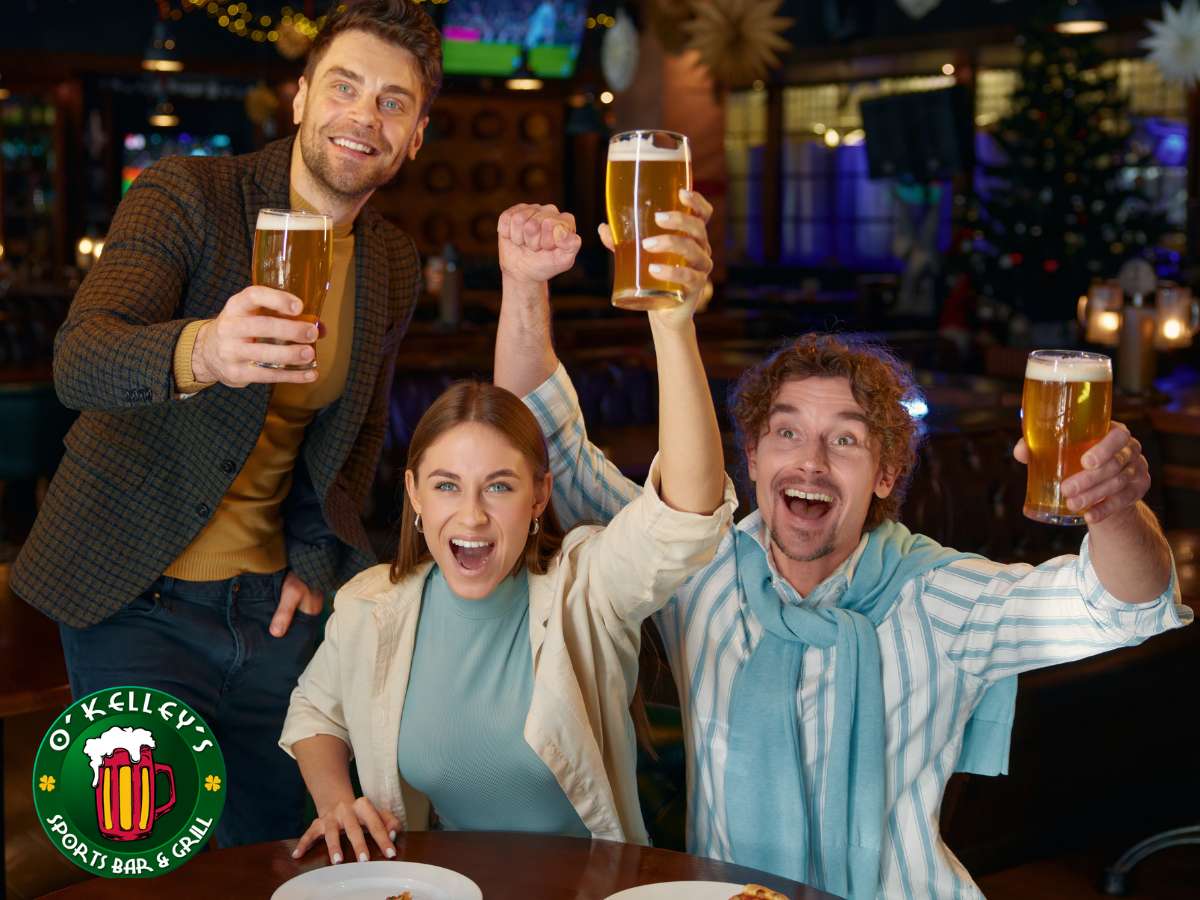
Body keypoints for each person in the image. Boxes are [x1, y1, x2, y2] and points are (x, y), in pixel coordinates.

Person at [493, 205, 1192, 898]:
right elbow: (545, 450)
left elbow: (1128, 606)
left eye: (847, 441)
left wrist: (1116, 508)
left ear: (886, 474)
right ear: (755, 460)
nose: (811, 462)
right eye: (787, 434)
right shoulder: (699, 565)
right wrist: (524, 283)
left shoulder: (938, 595)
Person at [12, 0, 441, 847]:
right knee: (148, 855)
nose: (365, 117)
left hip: (275, 615)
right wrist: (202, 351)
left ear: (416, 135)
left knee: (285, 856)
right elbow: (80, 358)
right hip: (136, 595)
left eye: (394, 103)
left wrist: (315, 562)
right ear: (301, 98)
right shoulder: (191, 193)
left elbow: (352, 443)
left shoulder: (392, 260)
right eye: (345, 88)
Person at [279, 196, 733, 864]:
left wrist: (673, 323)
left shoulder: (586, 589)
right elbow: (314, 712)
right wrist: (334, 799)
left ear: (537, 496)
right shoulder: (372, 605)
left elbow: (686, 517)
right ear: (412, 496)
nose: (470, 516)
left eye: (499, 486)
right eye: (445, 487)